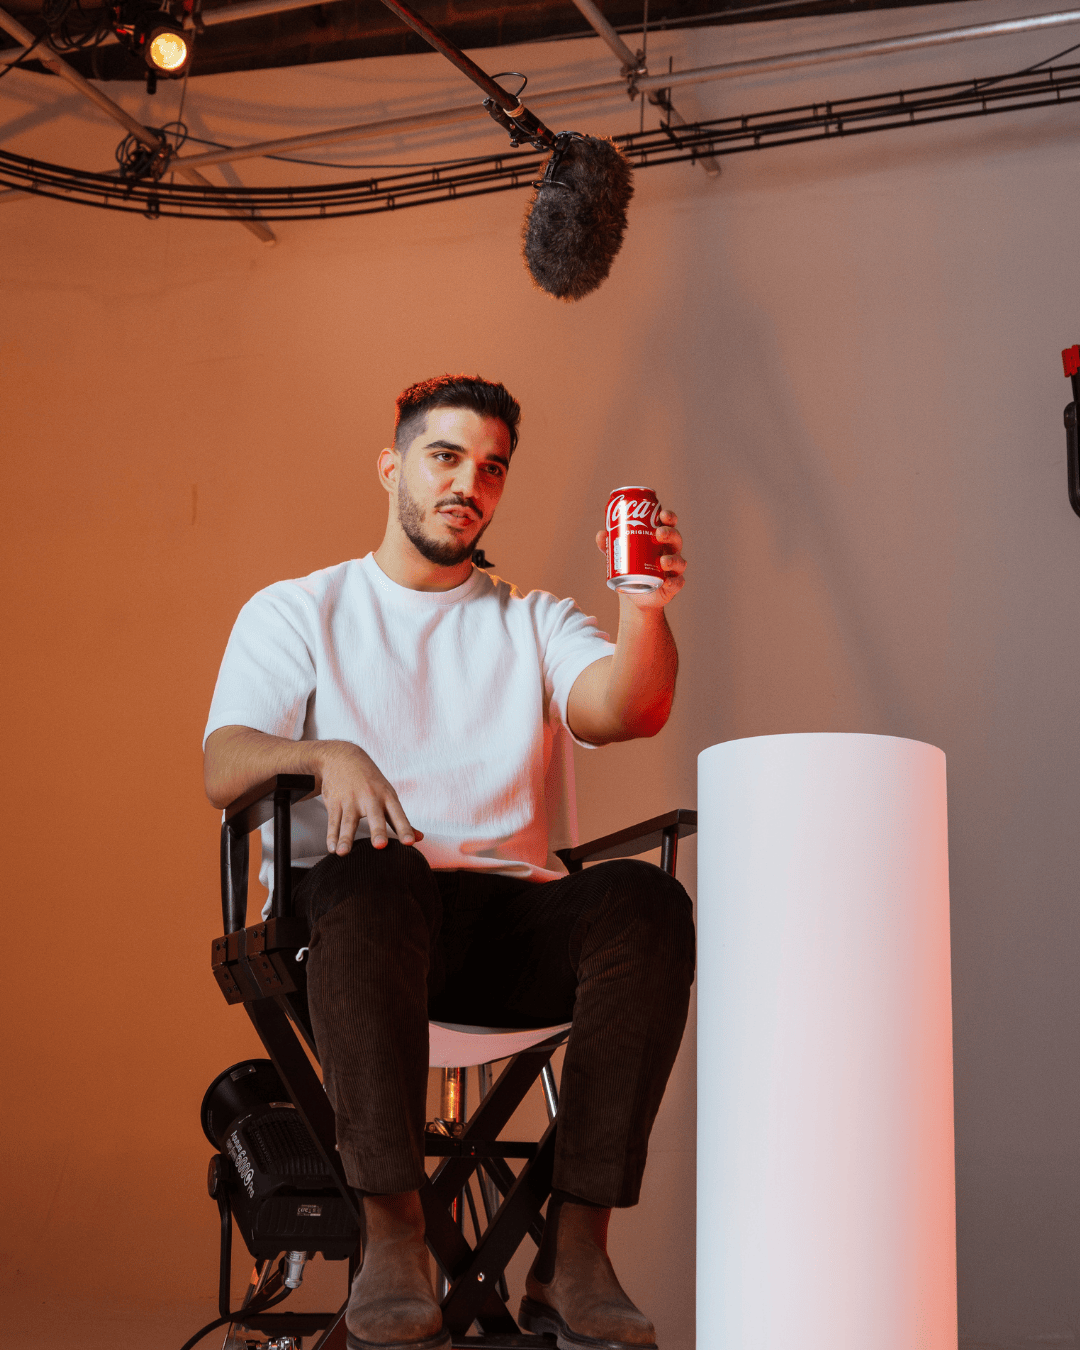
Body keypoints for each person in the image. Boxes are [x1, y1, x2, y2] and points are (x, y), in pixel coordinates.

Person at [203, 374, 694, 1350]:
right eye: (445, 457)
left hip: (506, 934)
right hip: (356, 929)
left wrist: (644, 606)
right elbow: (225, 763)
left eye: (492, 467)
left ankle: (576, 1255)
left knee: (647, 900)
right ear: (392, 468)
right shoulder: (300, 609)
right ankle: (394, 1238)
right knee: (375, 867)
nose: (469, 482)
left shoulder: (531, 621)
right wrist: (327, 755)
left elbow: (627, 709)